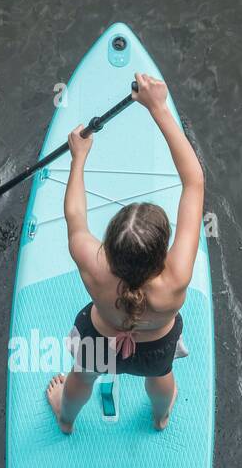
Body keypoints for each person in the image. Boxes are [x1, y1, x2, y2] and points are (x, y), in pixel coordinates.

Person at [46, 71, 205, 433]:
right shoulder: (177, 277)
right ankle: (161, 416)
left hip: (100, 340)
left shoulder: (93, 265)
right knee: (162, 376)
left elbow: (75, 217)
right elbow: (194, 182)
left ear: (110, 247)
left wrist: (78, 159)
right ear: (163, 249)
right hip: (156, 346)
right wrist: (158, 108)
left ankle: (66, 419)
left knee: (81, 379)